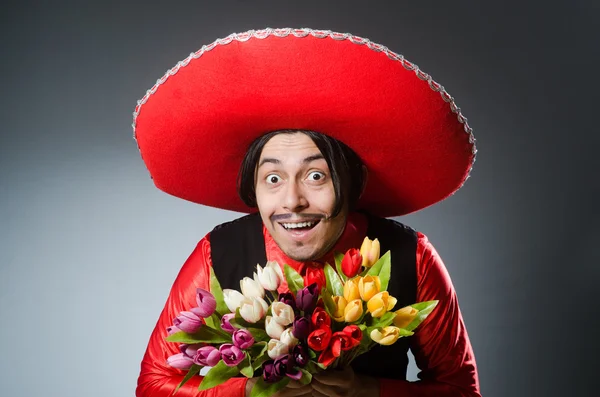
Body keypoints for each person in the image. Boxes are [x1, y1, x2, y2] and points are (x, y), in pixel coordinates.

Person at [132, 28, 481, 397]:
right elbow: (153, 384)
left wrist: (369, 392)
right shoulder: (218, 254)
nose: (292, 201)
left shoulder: (412, 257)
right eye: (272, 178)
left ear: (351, 183)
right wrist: (249, 392)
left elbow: (459, 390)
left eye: (316, 176)